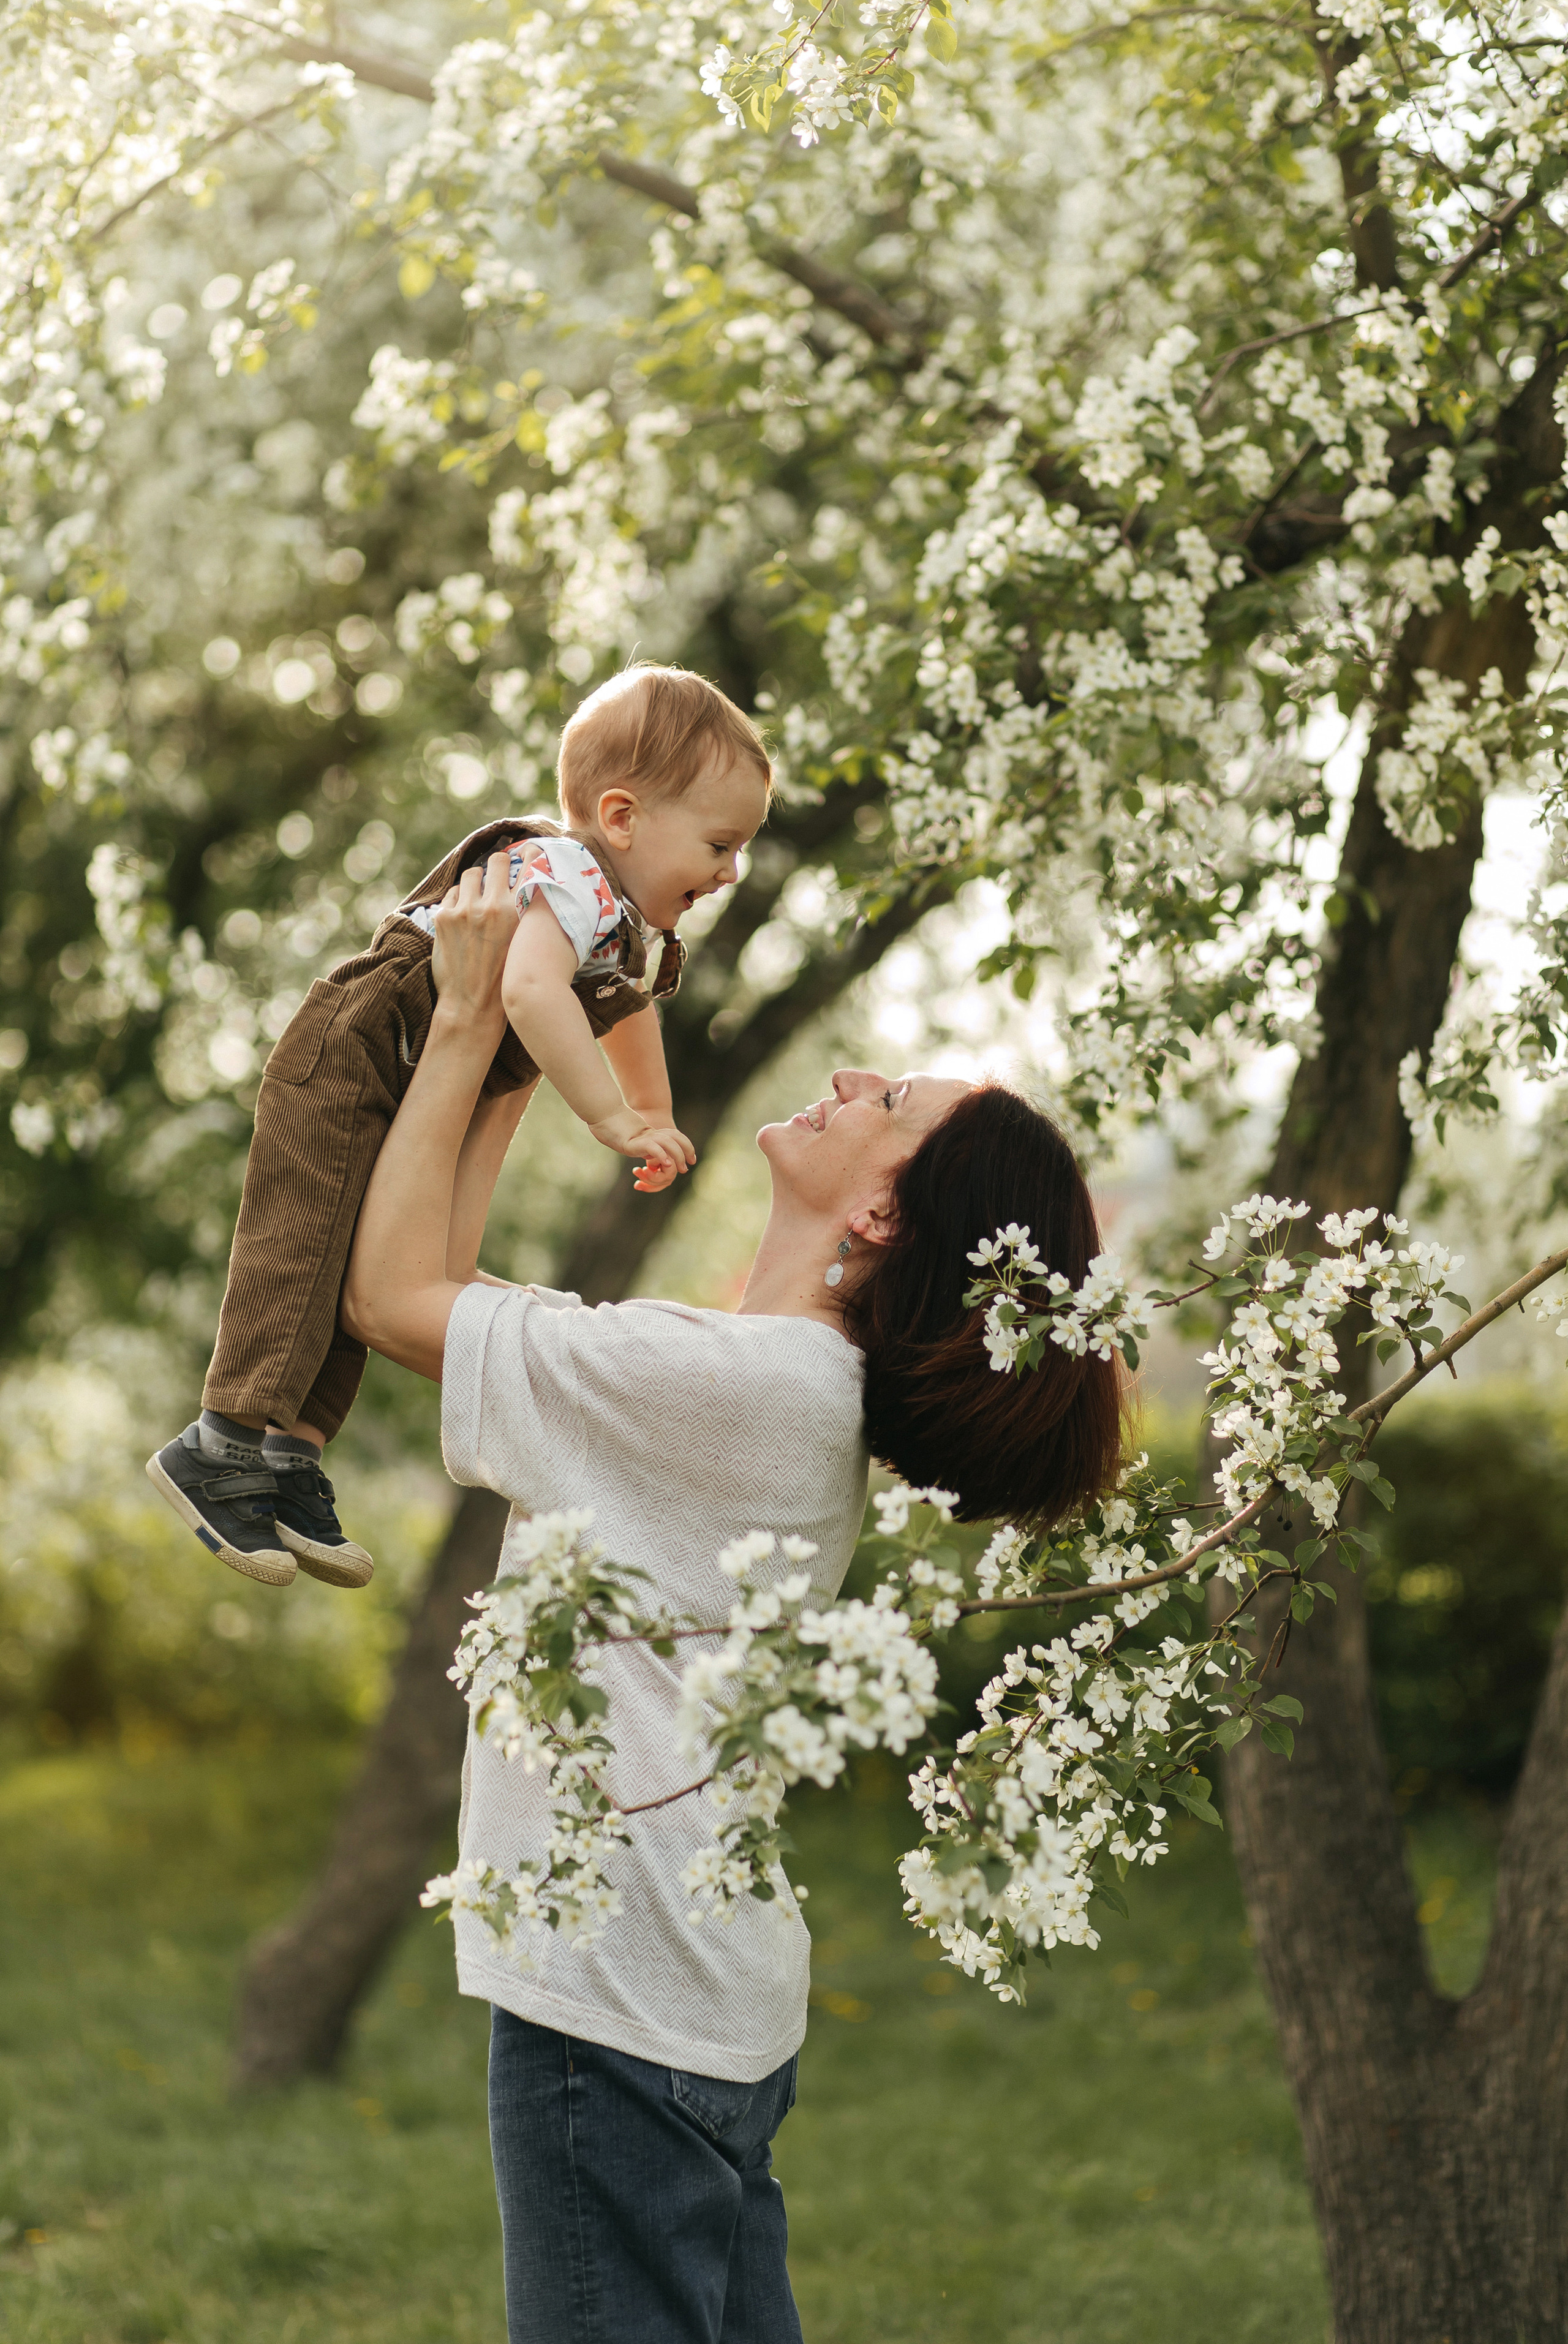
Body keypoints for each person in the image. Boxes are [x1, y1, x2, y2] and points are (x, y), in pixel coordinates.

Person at [339, 848, 1125, 2344]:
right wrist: (515, 1022)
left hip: (618, 2012)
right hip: (694, 1996)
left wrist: (460, 1029)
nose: (851, 1073)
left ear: (886, 1214)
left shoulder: (743, 1387)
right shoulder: (765, 1382)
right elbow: (439, 1276)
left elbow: (384, 1301)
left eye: (889, 1104)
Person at [145, 664, 770, 1592]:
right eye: (720, 844)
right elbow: (525, 991)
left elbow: (628, 1008)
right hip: (357, 1047)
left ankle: (291, 1456)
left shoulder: (620, 923)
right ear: (625, 817)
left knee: (363, 1256)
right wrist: (607, 1116)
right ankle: (221, 1440)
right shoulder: (568, 874)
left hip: (413, 1072)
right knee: (303, 1241)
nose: (731, 871)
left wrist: (656, 1112)